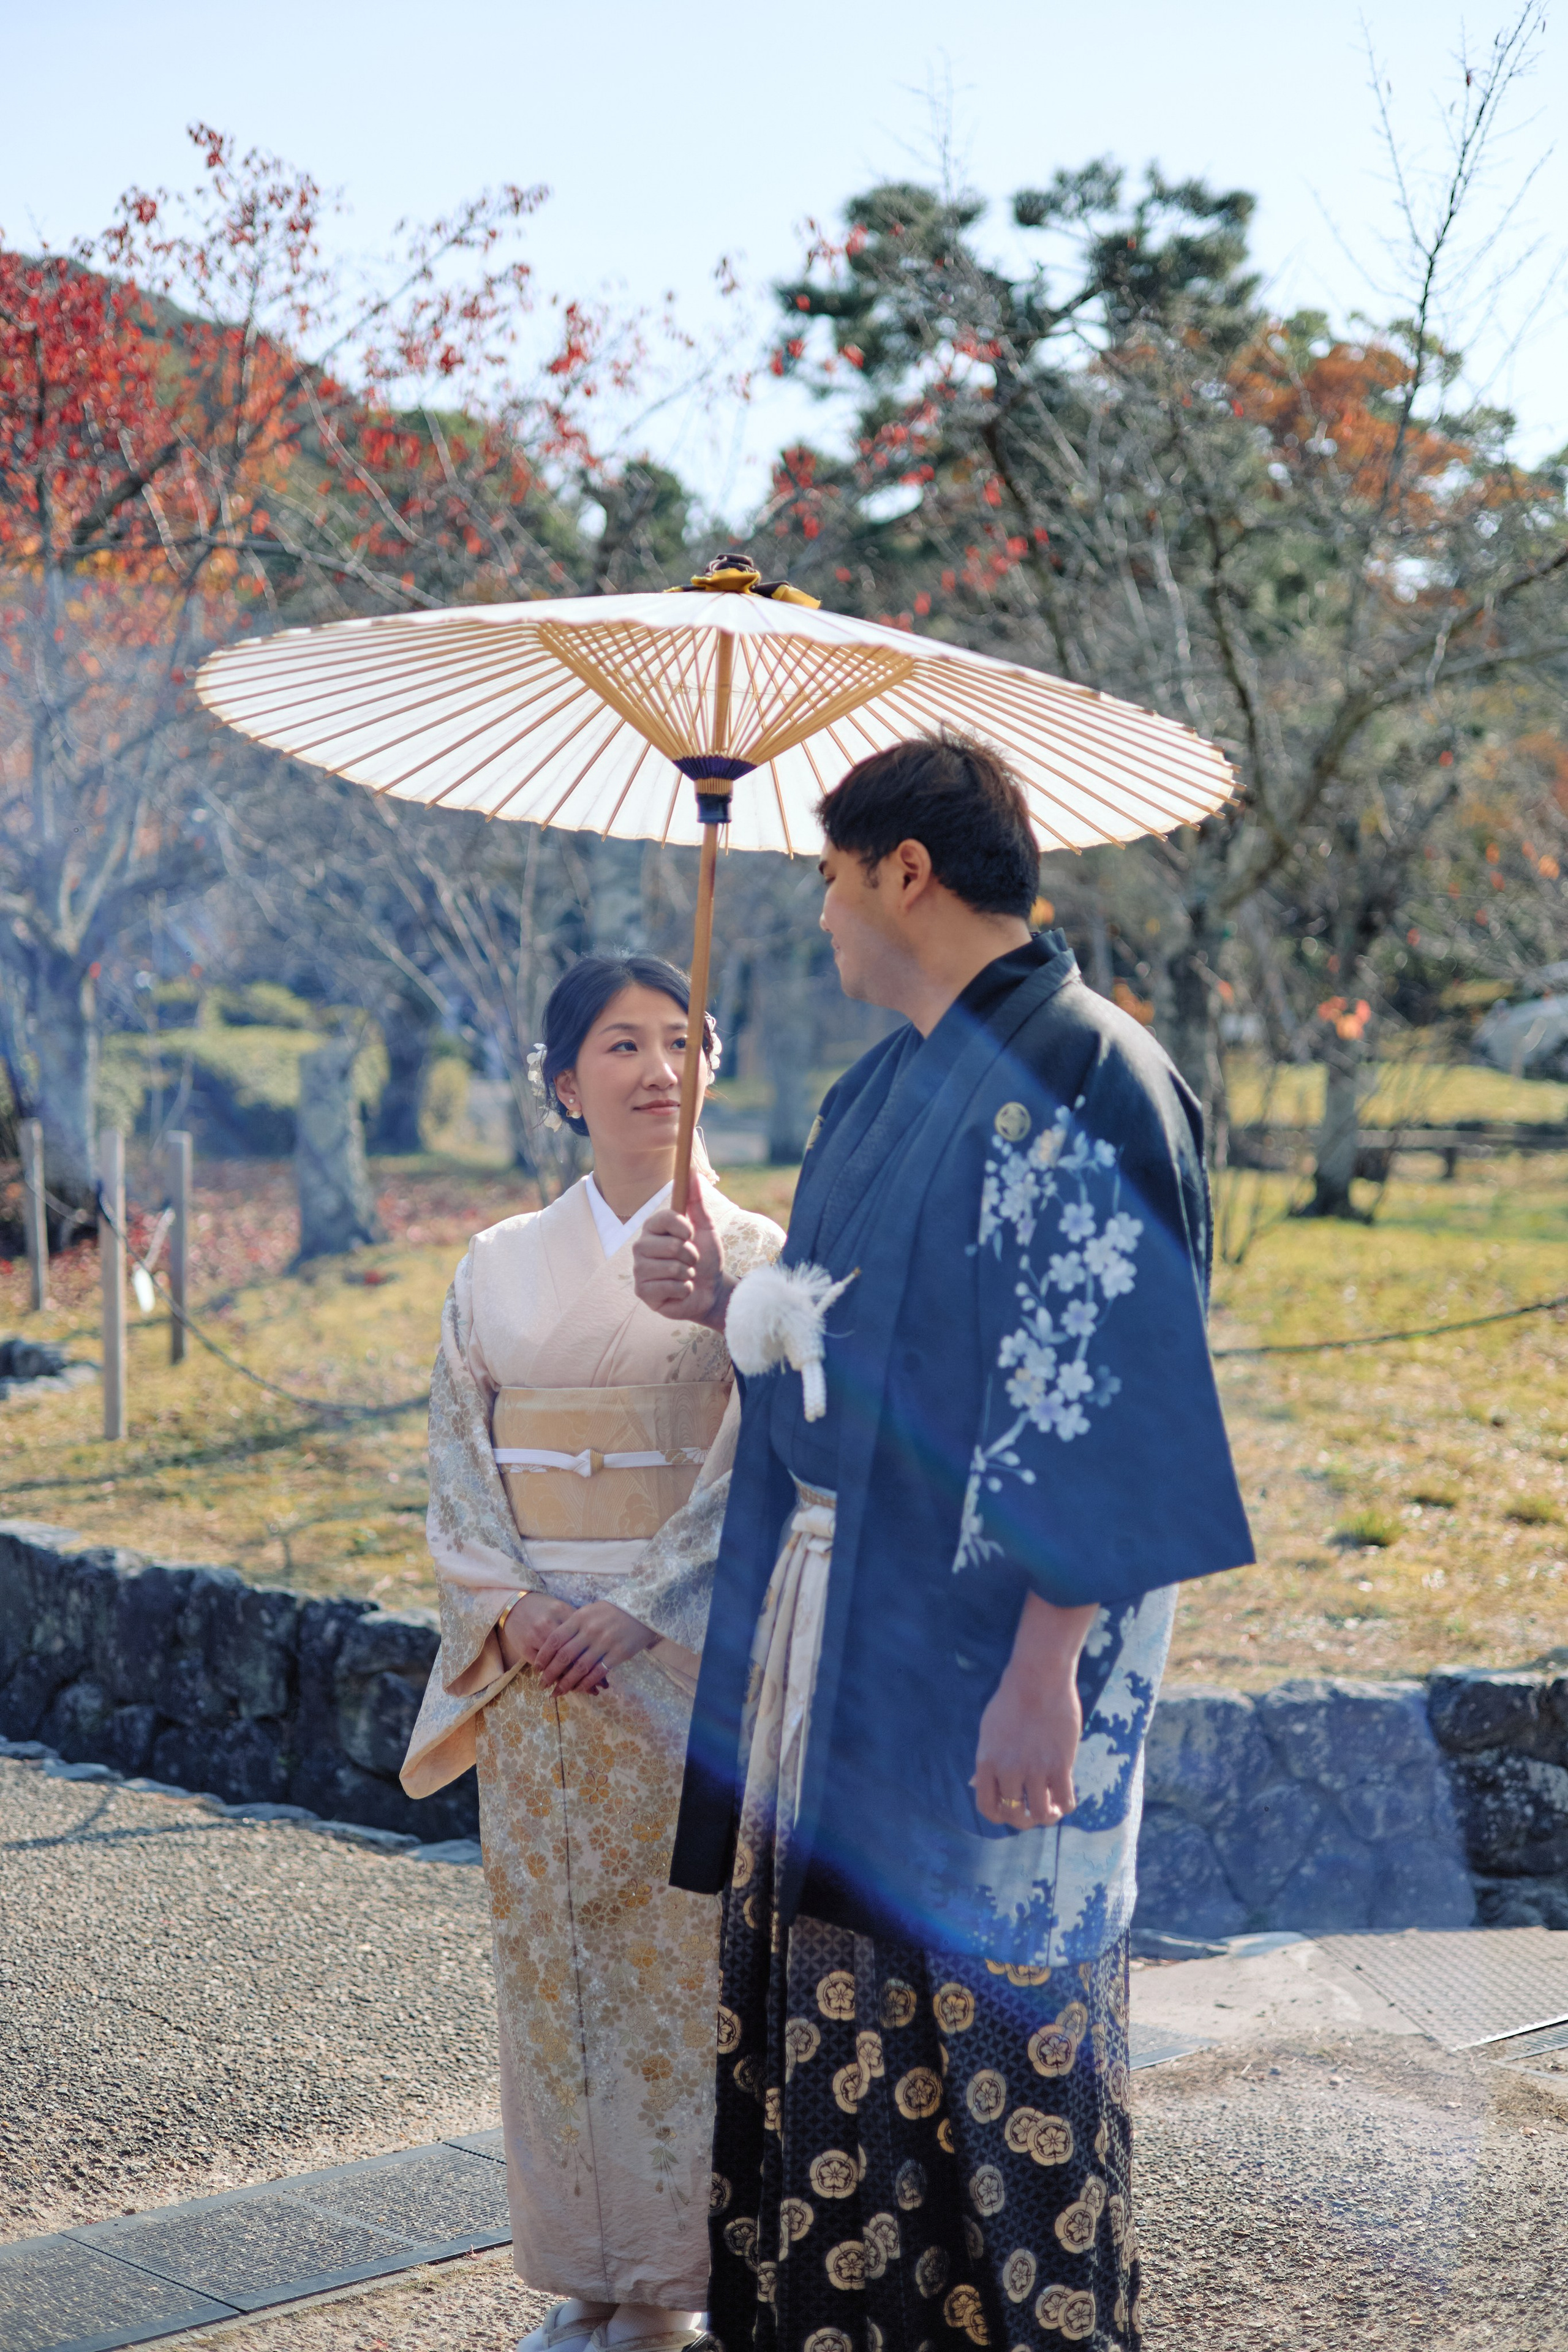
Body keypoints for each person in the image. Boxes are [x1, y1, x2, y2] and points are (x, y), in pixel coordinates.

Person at [633, 739, 1253, 2352]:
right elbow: (838, 1361)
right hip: (832, 1642)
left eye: (831, 878)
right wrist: (729, 1304)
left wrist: (1047, 1669)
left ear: (907, 868)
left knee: (987, 2042)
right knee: (826, 2039)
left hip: (989, 1659)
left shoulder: (1090, 1071)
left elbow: (1113, 1396)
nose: (822, 916)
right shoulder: (878, 1086)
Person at [401, 952, 784, 2352]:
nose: (657, 1072)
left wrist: (636, 1605)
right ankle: (585, 2268)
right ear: (562, 1084)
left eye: (682, 1042)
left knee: (682, 1971)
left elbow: (767, 1459)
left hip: (669, 1666)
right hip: (535, 1670)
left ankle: (673, 2284)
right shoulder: (497, 1262)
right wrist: (511, 1604)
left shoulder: (752, 1262)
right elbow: (456, 1447)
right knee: (550, 1963)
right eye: (621, 1046)